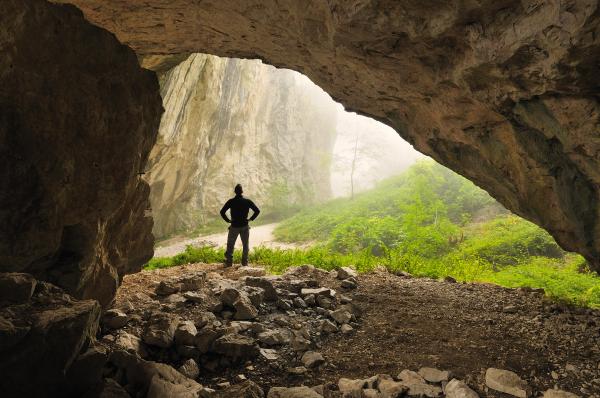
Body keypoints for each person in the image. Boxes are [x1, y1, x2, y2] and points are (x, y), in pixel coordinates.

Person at [219, 184, 260, 267]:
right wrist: (250, 219)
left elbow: (222, 212)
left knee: (230, 244)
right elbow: (257, 211)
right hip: (245, 226)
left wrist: (228, 220)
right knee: (245, 245)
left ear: (235, 192)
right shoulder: (247, 201)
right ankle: (245, 263)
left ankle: (229, 262)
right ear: (242, 192)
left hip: (234, 226)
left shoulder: (231, 201)